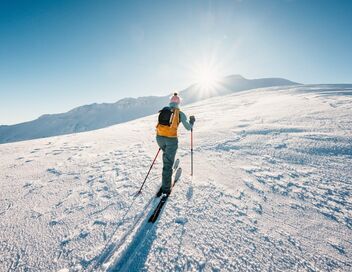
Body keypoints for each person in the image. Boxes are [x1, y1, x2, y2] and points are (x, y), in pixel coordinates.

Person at [156, 92, 195, 195]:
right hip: (171, 140)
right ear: (179, 103)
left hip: (159, 138)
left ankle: (167, 168)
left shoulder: (165, 109)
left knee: (166, 156)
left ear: (170, 102)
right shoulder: (180, 113)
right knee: (168, 164)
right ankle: (166, 188)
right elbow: (188, 127)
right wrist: (191, 122)